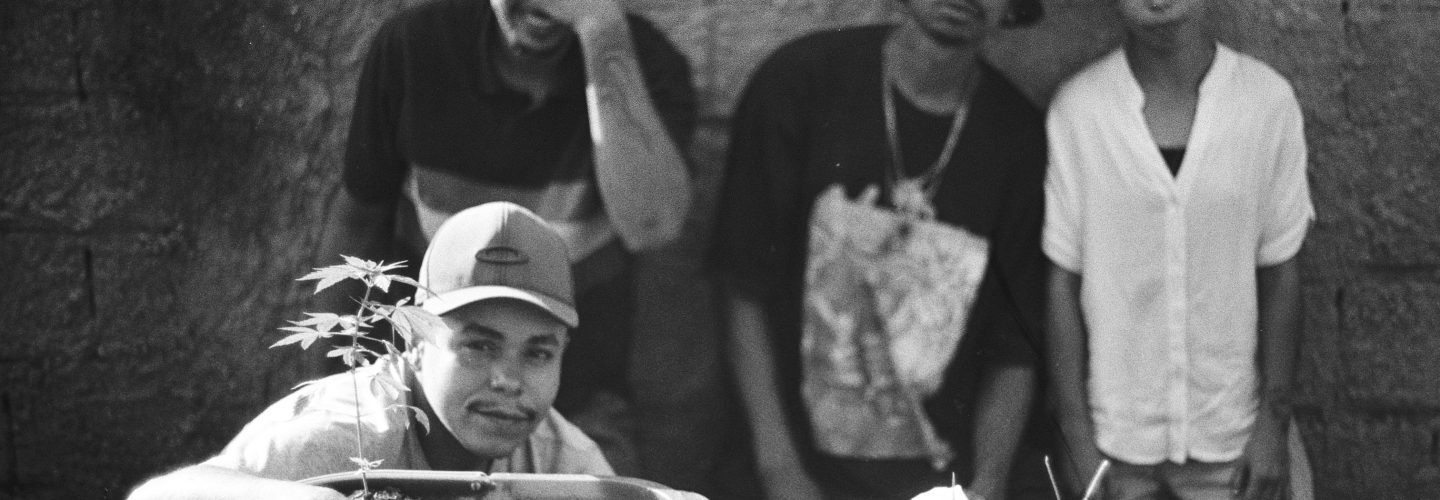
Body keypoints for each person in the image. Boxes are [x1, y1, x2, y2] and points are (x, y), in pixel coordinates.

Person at [317, 0, 697, 476]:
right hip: (424, 395)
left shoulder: (643, 61)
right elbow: (358, 223)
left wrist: (600, 30)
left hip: (576, 404)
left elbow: (652, 225)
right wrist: (329, 388)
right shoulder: (416, 47)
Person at [709, 0, 1047, 499]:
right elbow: (741, 286)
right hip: (783, 470)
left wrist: (988, 483)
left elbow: (1014, 346)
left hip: (938, 481)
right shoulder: (801, 81)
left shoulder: (1017, 137)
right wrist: (780, 471)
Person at [130, 202, 612, 500]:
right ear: (415, 340)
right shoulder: (351, 432)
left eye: (537, 354)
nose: (507, 379)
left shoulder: (560, 460)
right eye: (479, 345)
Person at [1042, 0, 1313, 499]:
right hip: (1114, 447)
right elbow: (1063, 281)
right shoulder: (1079, 110)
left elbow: (1281, 272)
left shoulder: (1266, 102)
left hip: (1234, 445)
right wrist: (1076, 439)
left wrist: (1273, 428)